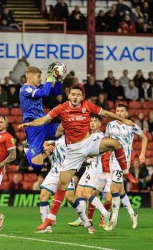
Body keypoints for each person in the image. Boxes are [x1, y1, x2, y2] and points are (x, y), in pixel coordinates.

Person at [18, 85, 138, 234]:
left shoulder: (87, 106)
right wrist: (29, 124)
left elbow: (106, 112)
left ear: (82, 97)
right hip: (73, 151)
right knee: (62, 184)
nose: (75, 97)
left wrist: (124, 120)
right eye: (73, 94)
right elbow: (44, 120)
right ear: (69, 96)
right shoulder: (61, 108)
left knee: (115, 143)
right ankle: (50, 218)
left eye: (78, 95)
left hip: (88, 143)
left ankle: (125, 172)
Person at [104, 104, 147, 231]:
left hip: (123, 161)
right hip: (112, 160)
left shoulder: (131, 125)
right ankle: (132, 214)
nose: (119, 113)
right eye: (117, 110)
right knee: (120, 190)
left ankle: (114, 220)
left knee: (113, 190)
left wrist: (142, 154)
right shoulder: (110, 125)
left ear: (126, 113)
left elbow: (144, 137)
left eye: (122, 111)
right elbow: (107, 141)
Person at [67, 115, 112, 227]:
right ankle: (82, 218)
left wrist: (88, 155)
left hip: (96, 170)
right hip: (88, 168)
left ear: (100, 124)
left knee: (87, 193)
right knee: (78, 192)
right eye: (91, 121)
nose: (92, 123)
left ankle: (105, 213)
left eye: (95, 121)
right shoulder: (90, 136)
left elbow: (103, 151)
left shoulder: (100, 136)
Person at [19, 64, 63, 170]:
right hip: (33, 127)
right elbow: (44, 93)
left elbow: (56, 92)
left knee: (66, 127)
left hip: (43, 123)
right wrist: (49, 76)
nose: (40, 79)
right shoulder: (25, 89)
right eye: (38, 76)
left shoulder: (37, 87)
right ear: (30, 77)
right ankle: (28, 147)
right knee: (38, 165)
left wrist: (58, 79)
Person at [37, 135, 78, 233]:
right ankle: (47, 227)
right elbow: (44, 142)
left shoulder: (75, 137)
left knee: (70, 198)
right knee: (43, 196)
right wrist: (46, 146)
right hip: (54, 171)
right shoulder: (57, 135)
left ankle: (86, 221)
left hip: (67, 171)